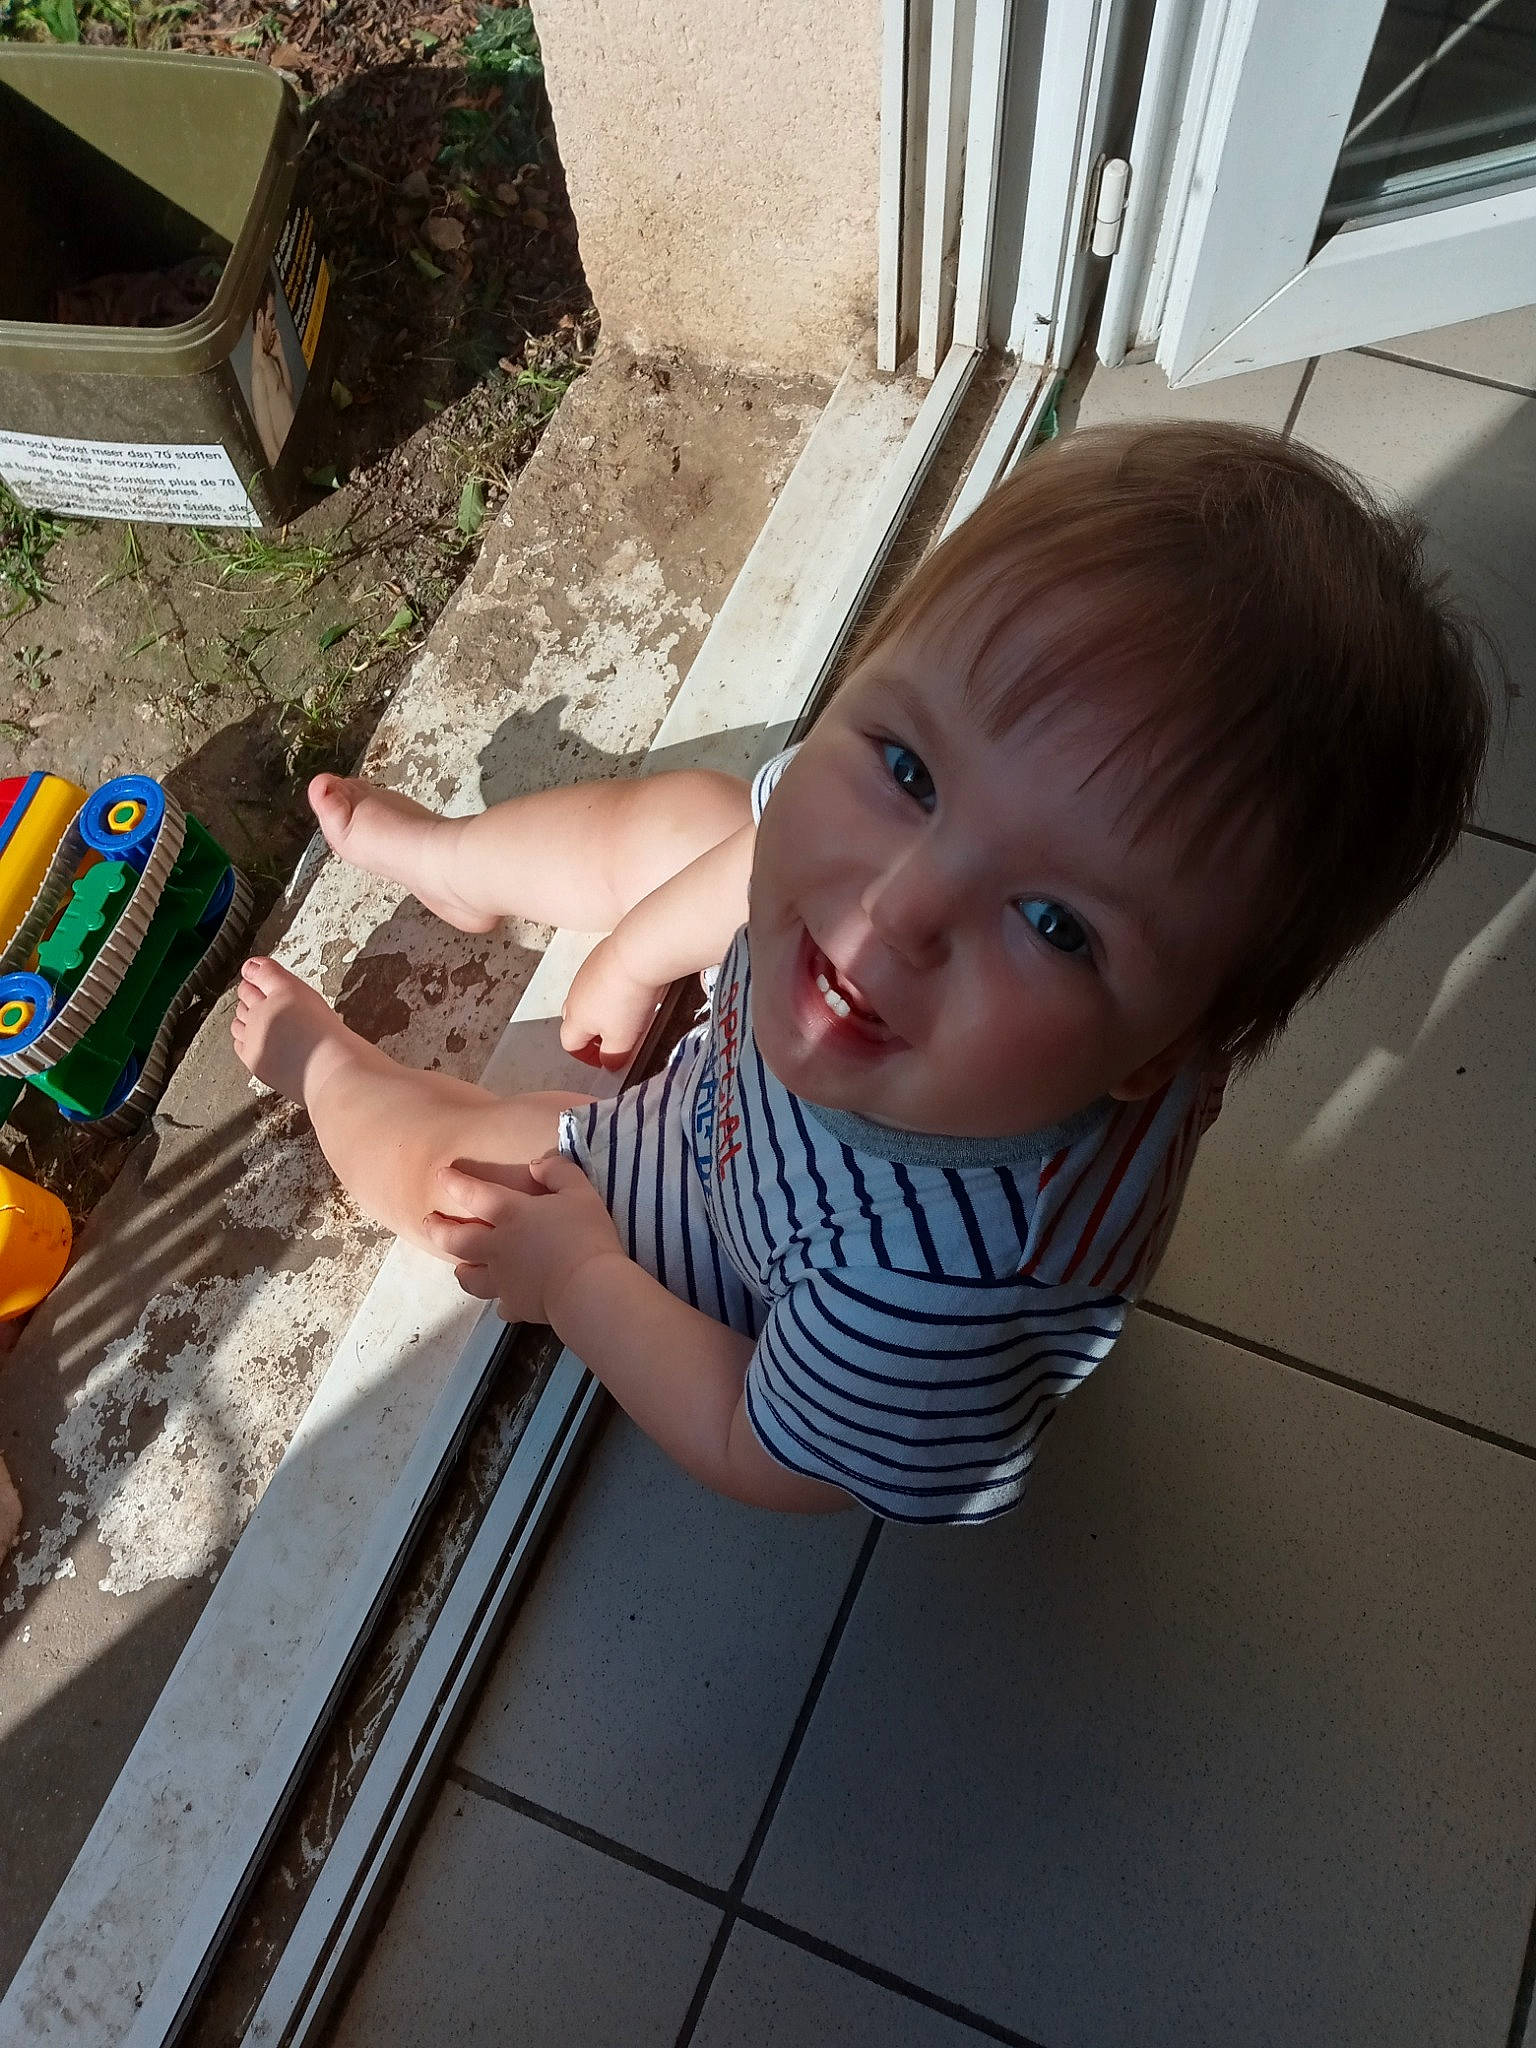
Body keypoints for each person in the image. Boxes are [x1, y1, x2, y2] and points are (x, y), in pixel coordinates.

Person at [231, 422, 1494, 1523]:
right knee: (706, 820)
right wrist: (628, 957)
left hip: (739, 1218)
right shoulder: (916, 896)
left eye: (1054, 922)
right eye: (908, 770)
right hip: (776, 1099)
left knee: (480, 1181)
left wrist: (578, 1277)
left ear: (1165, 1049)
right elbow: (772, 853)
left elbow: (763, 1447)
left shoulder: (932, 1286)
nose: (899, 910)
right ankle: (463, 864)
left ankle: (325, 1069)